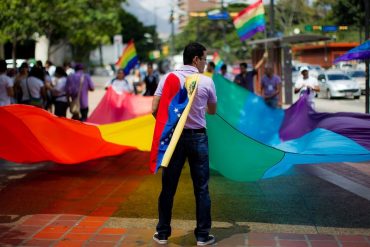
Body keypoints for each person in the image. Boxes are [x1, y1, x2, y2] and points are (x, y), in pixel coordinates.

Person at [152, 42, 217, 246]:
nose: (206, 64)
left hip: (173, 139)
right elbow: (213, 110)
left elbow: (155, 108)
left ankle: (162, 233)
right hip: (198, 138)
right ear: (196, 59)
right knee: (202, 188)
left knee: (168, 187)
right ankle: (202, 236)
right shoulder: (205, 82)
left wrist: (171, 122)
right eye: (205, 59)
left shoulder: (168, 78)